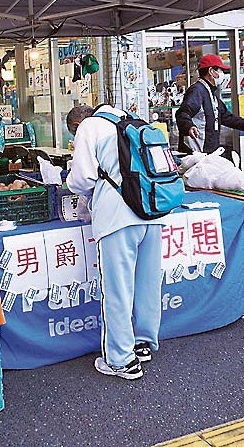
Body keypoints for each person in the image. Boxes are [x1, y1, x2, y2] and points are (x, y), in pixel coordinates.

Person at [65, 104, 164, 381]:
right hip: (151, 211)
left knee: (117, 289)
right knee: (147, 283)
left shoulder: (90, 127)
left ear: (77, 124)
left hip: (117, 217)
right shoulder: (133, 120)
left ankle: (121, 360)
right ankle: (143, 342)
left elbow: (82, 178)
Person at [175, 54, 244, 156]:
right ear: (211, 71)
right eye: (220, 70)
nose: (223, 74)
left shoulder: (210, 93)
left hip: (209, 152)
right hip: (197, 153)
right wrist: (189, 127)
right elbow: (182, 113)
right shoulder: (197, 90)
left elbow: (227, 118)